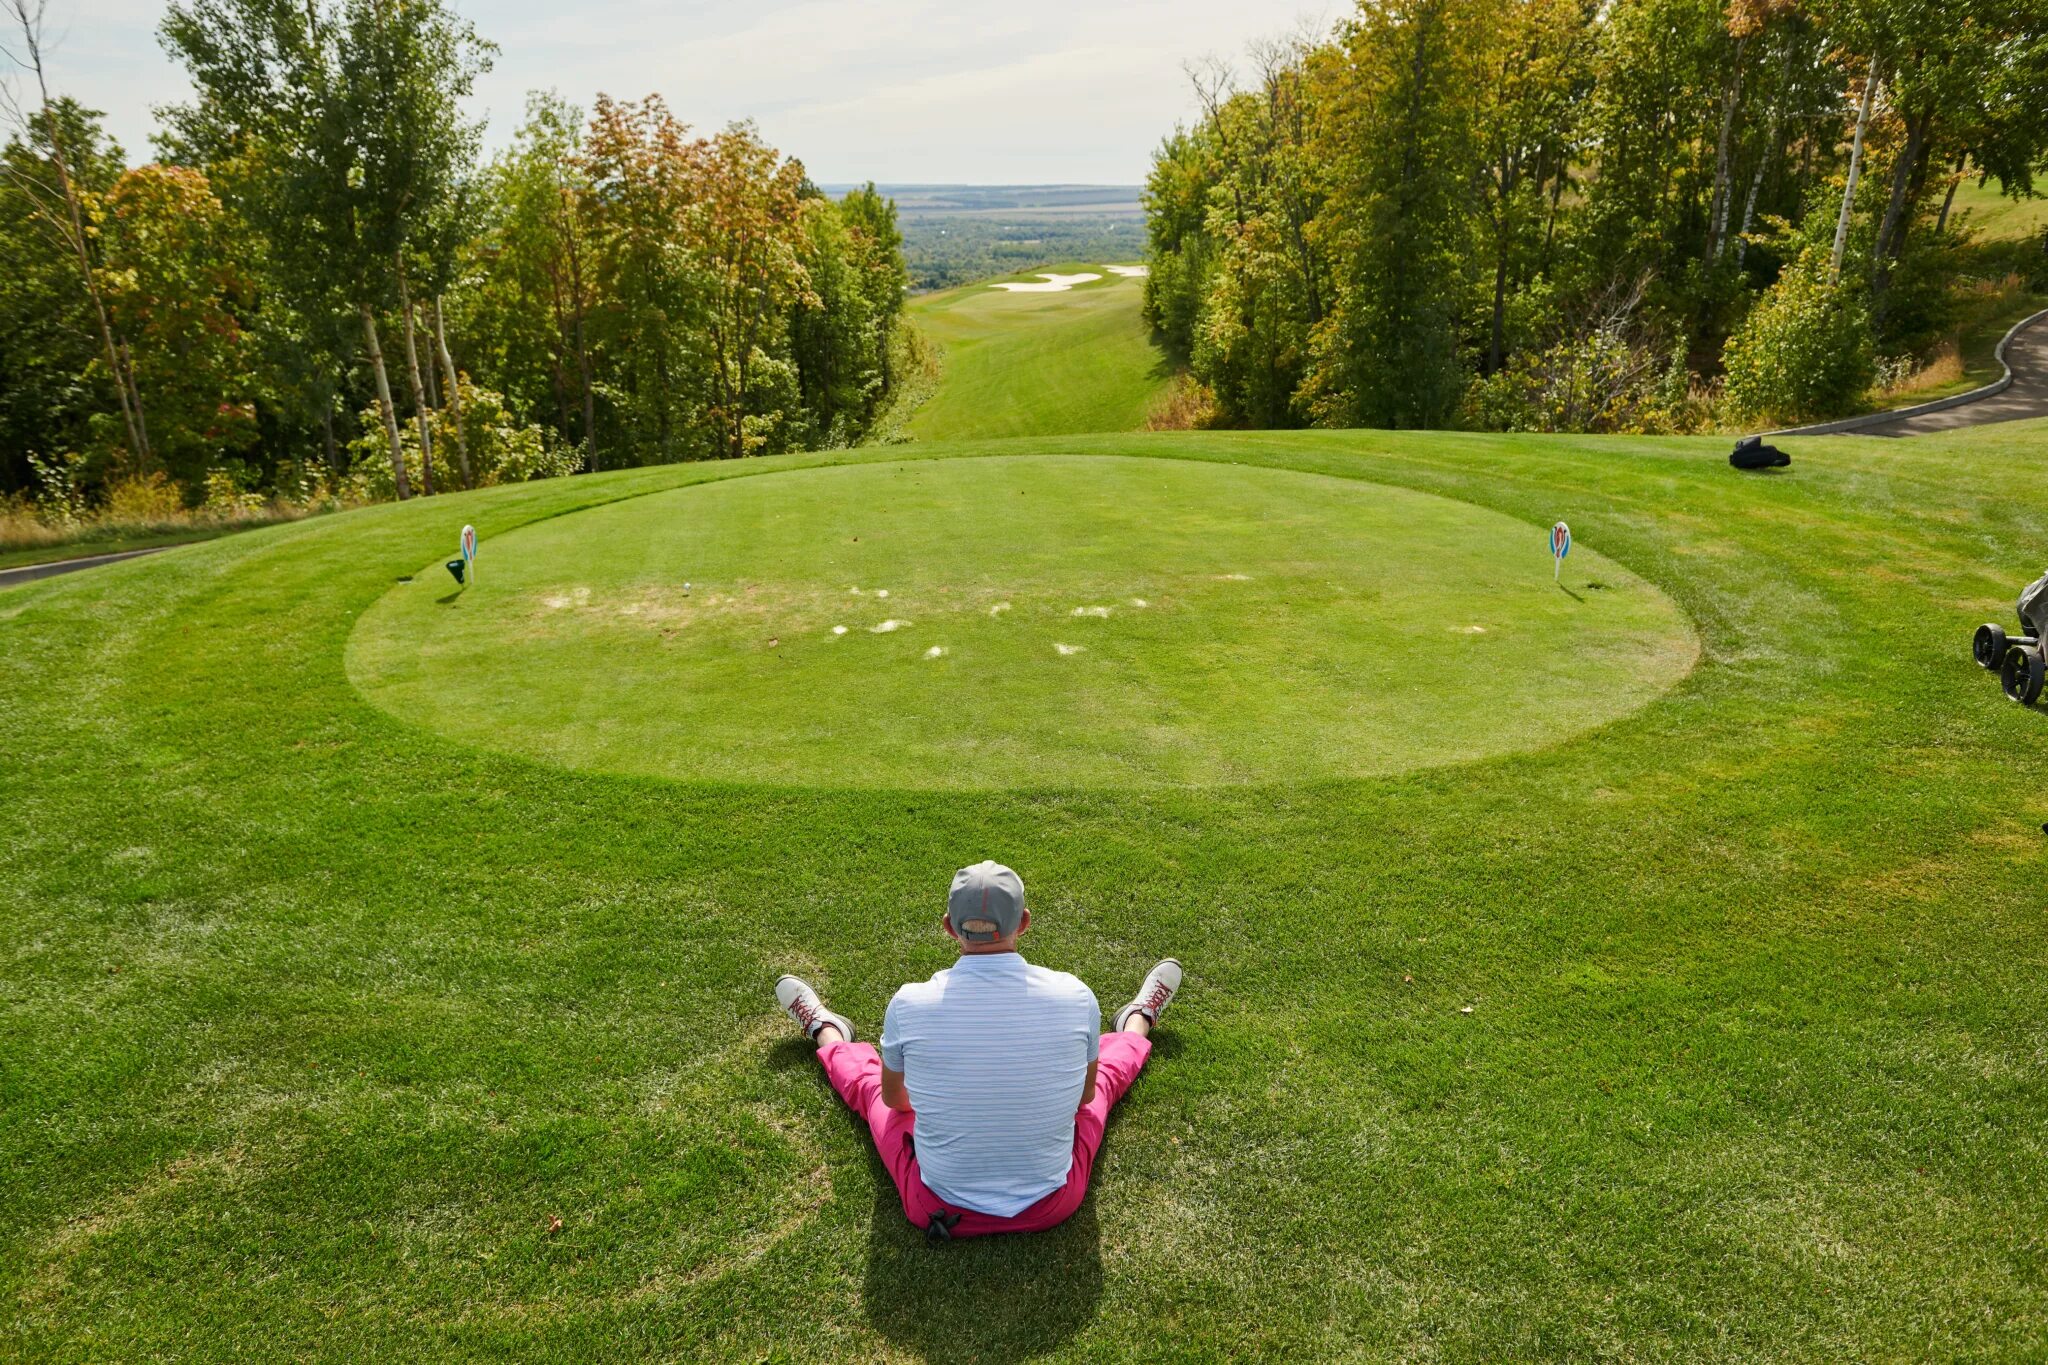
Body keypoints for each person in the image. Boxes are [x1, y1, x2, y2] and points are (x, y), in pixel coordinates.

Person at [775, 860, 1182, 1242]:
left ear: (950, 927)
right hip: (1052, 1205)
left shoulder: (910, 1003)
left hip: (935, 1206)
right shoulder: (1075, 996)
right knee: (1104, 1080)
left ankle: (826, 1030)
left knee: (871, 1087)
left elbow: (897, 1102)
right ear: (1023, 923)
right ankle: (1138, 1019)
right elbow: (1085, 1096)